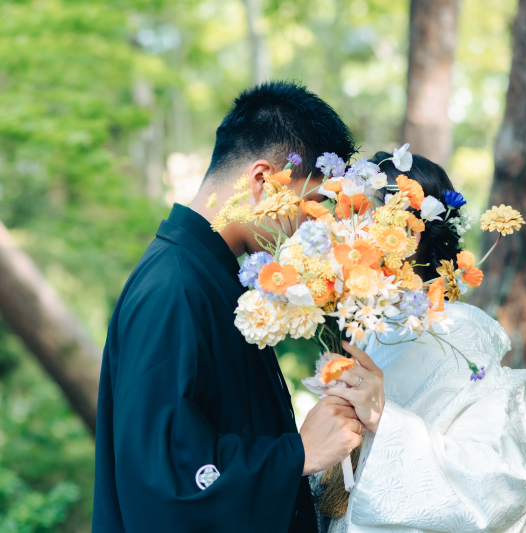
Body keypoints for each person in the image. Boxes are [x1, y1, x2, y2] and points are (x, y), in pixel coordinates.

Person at [93, 81, 365, 532]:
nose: (315, 224)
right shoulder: (173, 287)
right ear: (262, 181)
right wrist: (295, 455)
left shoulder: (212, 275)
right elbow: (165, 482)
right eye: (313, 203)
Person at [311, 153, 526, 533]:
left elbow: (497, 488)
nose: (342, 231)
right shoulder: (364, 325)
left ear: (407, 233)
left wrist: (383, 419)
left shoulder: (460, 338)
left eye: (358, 215)